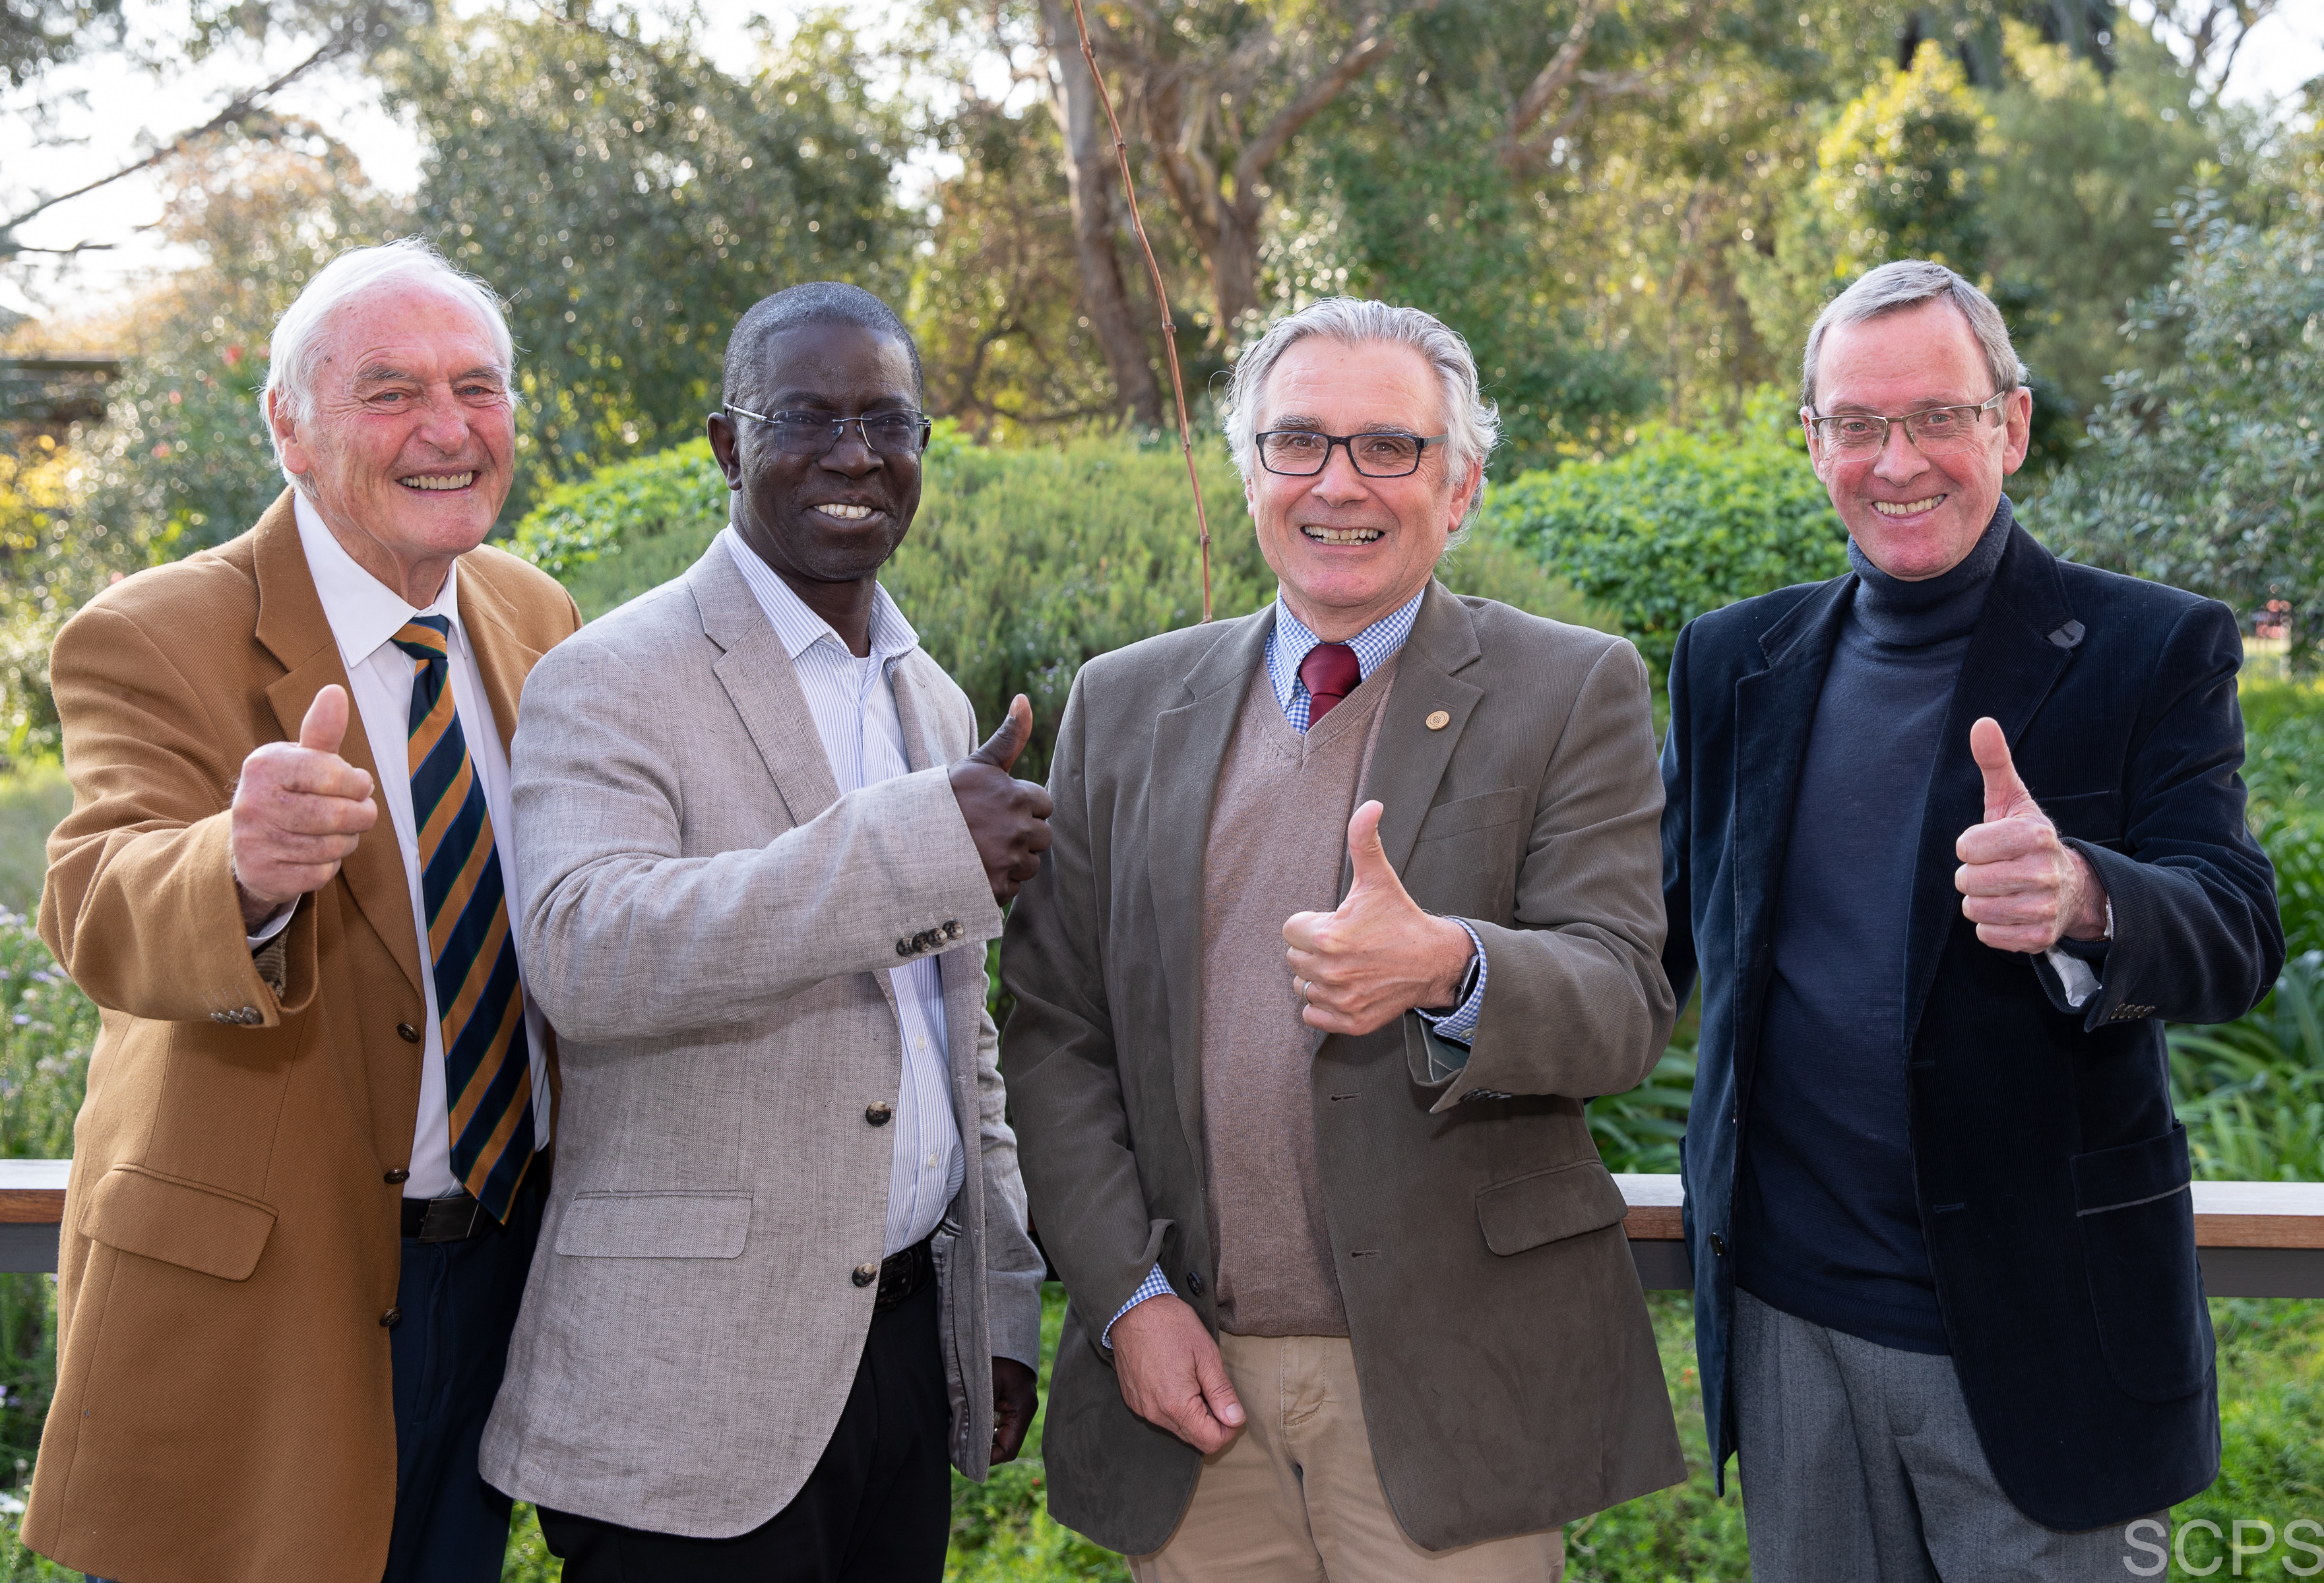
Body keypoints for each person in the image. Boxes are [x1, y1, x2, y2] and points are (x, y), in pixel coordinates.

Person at [999, 296, 1685, 1581]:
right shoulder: (1123, 702)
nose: (1338, 485)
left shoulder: (1569, 687)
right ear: (1248, 469)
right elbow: (1053, 1038)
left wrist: (1452, 969)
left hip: (1449, 1385)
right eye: (1298, 444)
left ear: (1462, 486)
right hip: (1192, 1382)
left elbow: (1622, 997)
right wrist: (1126, 1302)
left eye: (1390, 448)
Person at [1662, 259, 2283, 1581]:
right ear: (1812, 441)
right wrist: (1462, 961)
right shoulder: (1733, 664)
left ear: (2010, 422)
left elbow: (2236, 930)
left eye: (1937, 416)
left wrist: (2088, 895)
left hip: (2048, 1344)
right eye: (1857, 425)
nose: (1897, 462)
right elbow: (1639, 938)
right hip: (1791, 1334)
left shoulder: (2149, 649)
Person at [23, 239, 582, 1582]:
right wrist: (236, 868)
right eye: (389, 390)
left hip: (499, 1276)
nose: (447, 429)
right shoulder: (153, 632)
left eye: (478, 387)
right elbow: (94, 894)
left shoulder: (536, 613)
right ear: (289, 424)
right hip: (268, 1313)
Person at [480, 281, 1048, 1580]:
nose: (855, 456)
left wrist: (995, 1305)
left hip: (901, 1364)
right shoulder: (608, 677)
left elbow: (959, 1048)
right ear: (729, 445)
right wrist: (910, 849)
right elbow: (584, 952)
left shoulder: (933, 700)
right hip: (691, 1394)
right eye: (807, 418)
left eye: (888, 424)